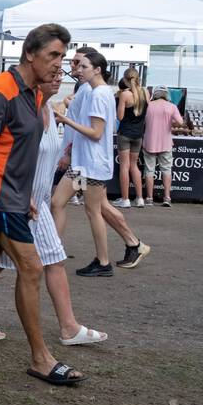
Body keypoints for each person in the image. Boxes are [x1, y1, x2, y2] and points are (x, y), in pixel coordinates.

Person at [0, 22, 86, 385]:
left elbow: (23, 152)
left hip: (15, 199)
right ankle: (41, 358)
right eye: (53, 56)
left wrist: (29, 193)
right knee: (32, 268)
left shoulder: (35, 94)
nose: (58, 64)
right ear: (30, 53)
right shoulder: (0, 91)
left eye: (62, 57)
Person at [0, 73, 108, 347]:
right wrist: (18, 194)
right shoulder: (24, 111)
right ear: (35, 80)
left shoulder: (50, 109)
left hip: (38, 202)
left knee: (54, 259)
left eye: (60, 75)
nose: (59, 80)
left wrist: (65, 154)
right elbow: (2, 156)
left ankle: (69, 327)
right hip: (16, 202)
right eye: (52, 76)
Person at [52, 47, 150, 275]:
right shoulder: (96, 91)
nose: (78, 69)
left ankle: (104, 261)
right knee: (58, 202)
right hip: (81, 163)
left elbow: (96, 132)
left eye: (84, 66)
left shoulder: (99, 94)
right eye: (78, 65)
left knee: (94, 210)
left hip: (92, 164)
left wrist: (65, 120)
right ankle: (54, 250)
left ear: (97, 70)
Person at [141, 87, 191, 207]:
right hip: (166, 142)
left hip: (149, 141)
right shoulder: (171, 106)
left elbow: (142, 122)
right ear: (166, 95)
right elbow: (180, 123)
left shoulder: (148, 106)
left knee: (149, 170)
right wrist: (170, 121)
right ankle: (167, 197)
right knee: (167, 170)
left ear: (155, 94)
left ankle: (149, 198)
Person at [113, 67, 147, 208]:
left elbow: (120, 117)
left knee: (124, 166)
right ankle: (140, 198)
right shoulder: (145, 92)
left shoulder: (125, 95)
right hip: (138, 134)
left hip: (125, 133)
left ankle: (125, 199)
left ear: (125, 80)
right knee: (134, 166)